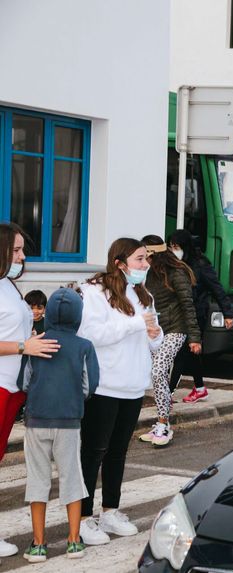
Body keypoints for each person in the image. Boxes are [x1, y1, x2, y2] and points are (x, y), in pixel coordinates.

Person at [76, 238, 163, 546]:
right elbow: (90, 335)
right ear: (119, 262)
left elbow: (154, 341)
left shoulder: (143, 294)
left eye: (147, 259)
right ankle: (83, 518)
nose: (145, 265)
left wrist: (154, 332)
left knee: (118, 453)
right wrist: (135, 325)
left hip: (133, 385)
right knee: (92, 452)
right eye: (140, 259)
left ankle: (110, 510)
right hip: (104, 385)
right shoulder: (95, 293)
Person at [17, 288, 99, 562]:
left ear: (49, 312)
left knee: (38, 480)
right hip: (69, 421)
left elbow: (23, 383)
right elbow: (90, 386)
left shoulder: (35, 342)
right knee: (72, 477)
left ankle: (38, 544)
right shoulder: (84, 346)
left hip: (37, 419)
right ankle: (74, 541)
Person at [0, 223, 61, 560]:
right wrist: (25, 346)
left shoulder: (8, 285)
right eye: (16, 250)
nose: (22, 257)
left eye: (22, 250)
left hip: (12, 387)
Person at [138, 235, 200, 447]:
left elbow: (187, 305)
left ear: (156, 254)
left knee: (158, 371)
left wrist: (194, 337)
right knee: (158, 375)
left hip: (176, 328)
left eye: (146, 256)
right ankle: (160, 422)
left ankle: (164, 424)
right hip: (156, 329)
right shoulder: (146, 272)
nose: (143, 260)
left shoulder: (176, 272)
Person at [167, 229, 233, 403]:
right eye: (171, 246)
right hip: (179, 314)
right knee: (192, 353)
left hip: (197, 315)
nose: (173, 250)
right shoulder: (175, 264)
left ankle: (167, 393)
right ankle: (200, 388)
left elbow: (217, 288)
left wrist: (228, 313)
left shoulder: (200, 264)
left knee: (182, 353)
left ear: (185, 246)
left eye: (176, 246)